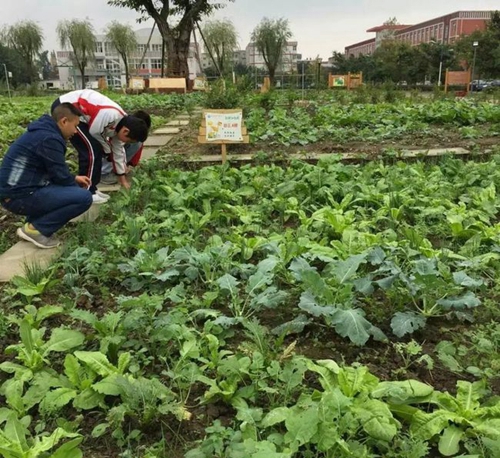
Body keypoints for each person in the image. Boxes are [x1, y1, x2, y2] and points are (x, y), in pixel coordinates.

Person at [0, 103, 93, 249]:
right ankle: (36, 229)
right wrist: (74, 189)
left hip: (15, 192)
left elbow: (52, 170)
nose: (76, 131)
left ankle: (33, 224)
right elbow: (60, 177)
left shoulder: (43, 132)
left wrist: (73, 179)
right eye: (75, 126)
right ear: (64, 121)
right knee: (83, 198)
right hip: (18, 197)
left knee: (69, 190)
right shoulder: (50, 139)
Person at [51, 89, 149, 202]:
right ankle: (87, 192)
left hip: (82, 117)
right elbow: (94, 132)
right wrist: (107, 149)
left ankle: (92, 187)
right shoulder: (111, 115)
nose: (127, 143)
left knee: (96, 149)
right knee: (91, 150)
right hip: (66, 108)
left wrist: (123, 180)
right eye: (129, 141)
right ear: (126, 131)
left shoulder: (121, 126)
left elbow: (118, 152)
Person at [100, 111, 151, 185]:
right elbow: (115, 150)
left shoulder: (125, 130)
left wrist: (129, 165)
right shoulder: (115, 125)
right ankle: (103, 173)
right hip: (101, 153)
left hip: (110, 151)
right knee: (113, 150)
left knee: (133, 145)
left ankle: (115, 170)